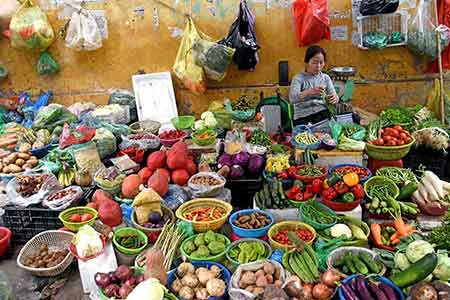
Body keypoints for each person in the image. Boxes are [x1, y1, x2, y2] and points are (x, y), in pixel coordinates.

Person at [289, 45, 339, 126]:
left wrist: (335, 98)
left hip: (321, 114)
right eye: (314, 62)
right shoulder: (298, 78)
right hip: (302, 116)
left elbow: (334, 97)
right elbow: (292, 99)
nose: (318, 66)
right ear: (307, 62)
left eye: (321, 62)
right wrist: (310, 92)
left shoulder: (325, 78)